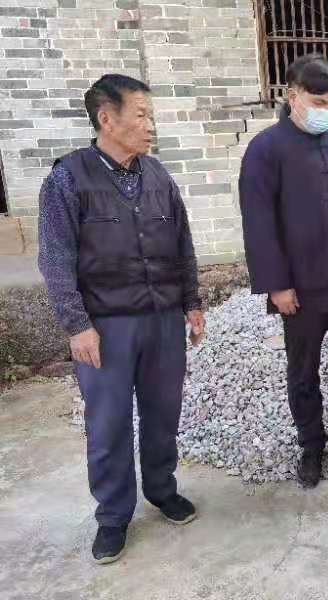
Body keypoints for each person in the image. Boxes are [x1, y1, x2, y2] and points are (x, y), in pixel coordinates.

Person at [37, 74, 205, 564]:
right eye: (141, 115)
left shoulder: (159, 176)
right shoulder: (68, 179)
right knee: (108, 423)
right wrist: (76, 324)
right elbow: (55, 258)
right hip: (105, 326)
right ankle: (113, 516)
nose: (150, 125)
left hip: (162, 319)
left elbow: (183, 245)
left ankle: (162, 489)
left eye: (150, 116)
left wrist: (192, 302)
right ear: (106, 119)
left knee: (162, 413)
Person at [239, 56, 328, 489]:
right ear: (293, 96)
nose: (327, 110)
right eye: (319, 102)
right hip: (301, 289)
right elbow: (258, 221)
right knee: (303, 372)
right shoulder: (266, 149)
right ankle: (311, 445)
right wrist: (277, 284)